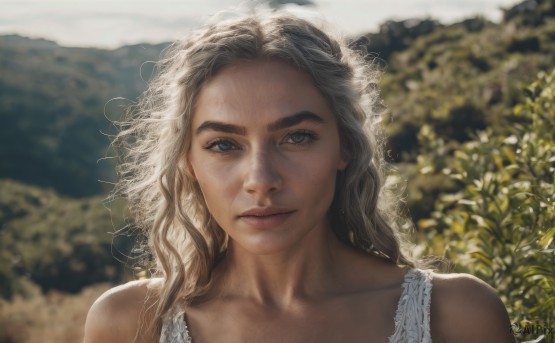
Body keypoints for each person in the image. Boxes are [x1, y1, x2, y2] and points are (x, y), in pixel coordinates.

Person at [84, 8, 514, 343]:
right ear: (187, 162)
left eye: (296, 137)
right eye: (223, 144)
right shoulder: (130, 325)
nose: (261, 179)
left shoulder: (457, 315)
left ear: (345, 146)